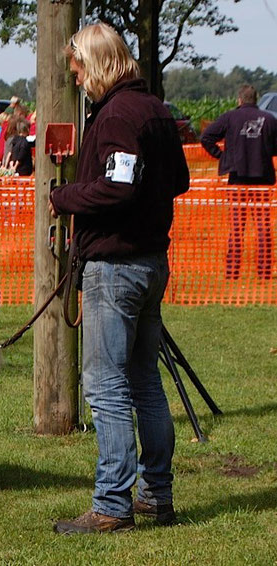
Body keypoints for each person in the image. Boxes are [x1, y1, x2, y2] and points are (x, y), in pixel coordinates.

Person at [49, 23, 189, 535]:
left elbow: (116, 190)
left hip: (116, 268)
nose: (79, 80)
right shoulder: (154, 109)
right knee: (145, 385)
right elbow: (180, 180)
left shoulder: (115, 117)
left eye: (80, 69)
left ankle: (112, 504)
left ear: (97, 62)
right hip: (152, 262)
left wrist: (63, 199)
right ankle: (157, 496)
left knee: (105, 387)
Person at [201, 85, 277, 280]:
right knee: (263, 228)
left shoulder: (230, 117)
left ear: (239, 100)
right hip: (263, 179)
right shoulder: (269, 119)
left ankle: (232, 272)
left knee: (236, 228)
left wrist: (222, 156)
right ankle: (264, 272)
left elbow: (206, 136)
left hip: (237, 179)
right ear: (256, 99)